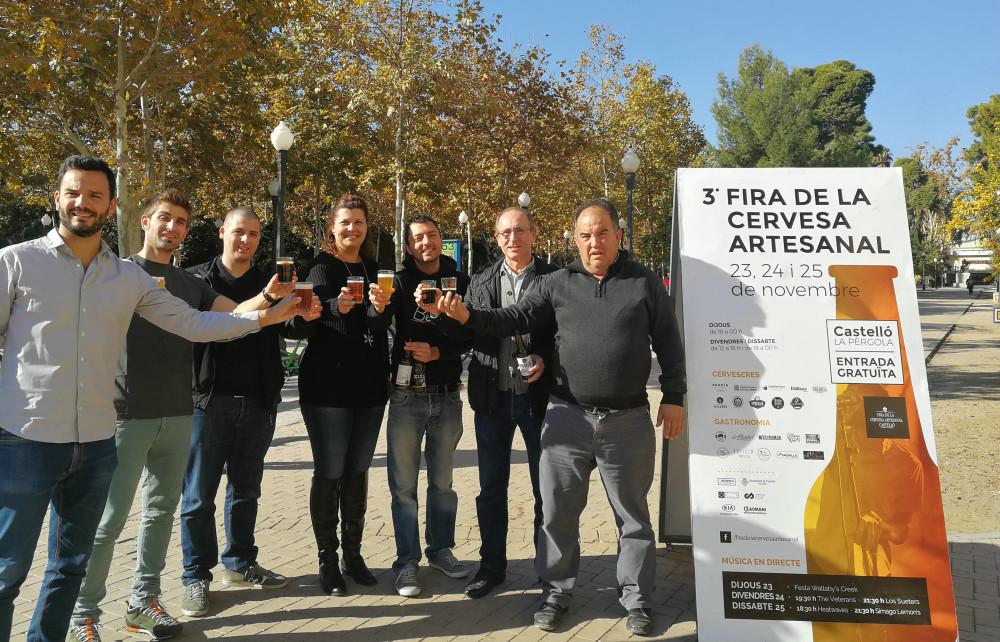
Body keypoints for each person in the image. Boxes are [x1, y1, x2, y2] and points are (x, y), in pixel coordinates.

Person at [0, 156, 300, 642]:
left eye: (95, 195)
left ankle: (133, 605)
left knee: (108, 543)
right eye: (73, 193)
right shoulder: (40, 264)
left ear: (111, 205)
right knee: (27, 562)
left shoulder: (145, 280)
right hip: (68, 429)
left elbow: (201, 323)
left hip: (135, 426)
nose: (83, 203)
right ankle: (84, 616)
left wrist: (266, 310)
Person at [65, 189, 319, 642]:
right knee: (109, 520)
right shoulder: (117, 272)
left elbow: (231, 319)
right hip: (125, 413)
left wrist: (274, 303)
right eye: (165, 218)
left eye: (181, 222)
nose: (173, 228)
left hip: (179, 411)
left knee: (161, 512)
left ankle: (143, 603)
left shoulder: (190, 284)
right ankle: (83, 616)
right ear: (145, 221)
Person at [435, 198, 686, 637]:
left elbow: (668, 339)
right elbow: (513, 318)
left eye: (603, 233)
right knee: (557, 514)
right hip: (566, 417)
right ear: (575, 240)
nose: (594, 242)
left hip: (627, 421)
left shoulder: (644, 282)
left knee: (633, 518)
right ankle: (555, 593)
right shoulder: (558, 282)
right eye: (586, 235)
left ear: (618, 236)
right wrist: (466, 314)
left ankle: (637, 600)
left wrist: (674, 395)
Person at [178, 207, 303, 617]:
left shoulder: (271, 279)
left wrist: (306, 312)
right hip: (208, 401)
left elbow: (291, 327)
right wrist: (269, 301)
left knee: (246, 489)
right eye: (238, 232)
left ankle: (240, 563)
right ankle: (195, 576)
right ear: (222, 233)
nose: (245, 240)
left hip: (258, 400)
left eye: (252, 233)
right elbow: (226, 318)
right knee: (198, 496)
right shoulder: (198, 279)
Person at [287, 195, 391, 596]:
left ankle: (353, 553)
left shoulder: (374, 268)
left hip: (369, 387)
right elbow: (307, 318)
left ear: (367, 227)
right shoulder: (321, 267)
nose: (352, 228)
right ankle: (327, 560)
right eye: (345, 222)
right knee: (330, 471)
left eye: (359, 222)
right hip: (327, 388)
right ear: (332, 227)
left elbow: (378, 326)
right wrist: (334, 305)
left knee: (358, 470)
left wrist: (379, 309)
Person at [458, 207, 557, 599]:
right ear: (496, 238)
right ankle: (491, 567)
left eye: (519, 230)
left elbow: (566, 333)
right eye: (505, 233)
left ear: (534, 233)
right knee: (490, 489)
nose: (512, 238)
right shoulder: (480, 280)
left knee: (545, 491)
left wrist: (546, 357)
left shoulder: (554, 279)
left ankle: (548, 572)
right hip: (492, 398)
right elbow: (465, 332)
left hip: (539, 400)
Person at [384, 215, 472, 598]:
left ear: (441, 239)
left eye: (431, 235)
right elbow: (376, 324)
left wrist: (438, 352)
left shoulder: (460, 281)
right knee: (403, 487)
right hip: (406, 394)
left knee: (443, 484)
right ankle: (406, 562)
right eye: (418, 238)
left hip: (448, 393)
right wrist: (375, 305)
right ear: (408, 246)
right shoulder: (400, 282)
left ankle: (440, 550)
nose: (426, 243)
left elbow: (471, 334)